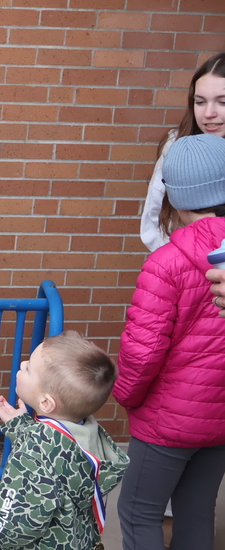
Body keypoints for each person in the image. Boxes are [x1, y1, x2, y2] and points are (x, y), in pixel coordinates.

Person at [115, 133, 225, 550]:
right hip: (220, 421)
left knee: (138, 512)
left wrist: (127, 397)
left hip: (166, 422)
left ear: (174, 197)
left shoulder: (168, 262)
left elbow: (142, 353)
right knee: (198, 513)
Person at [0, 331, 128, 550]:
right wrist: (20, 426)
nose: (22, 364)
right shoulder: (90, 434)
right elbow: (58, 454)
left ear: (46, 403)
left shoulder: (32, 456)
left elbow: (15, 530)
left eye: (29, 369)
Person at [140, 52, 225, 251]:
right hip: (181, 271)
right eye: (200, 101)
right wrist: (177, 264)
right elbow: (153, 219)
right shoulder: (176, 144)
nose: (208, 113)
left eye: (223, 102)